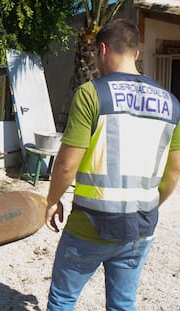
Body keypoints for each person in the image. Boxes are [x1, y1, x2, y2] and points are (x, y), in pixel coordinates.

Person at [44, 18, 180, 311]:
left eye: (94, 53)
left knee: (63, 298)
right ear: (137, 54)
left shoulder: (92, 93)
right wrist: (150, 205)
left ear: (102, 50)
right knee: (122, 304)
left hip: (91, 225)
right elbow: (174, 171)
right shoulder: (171, 104)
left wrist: (52, 201)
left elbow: (67, 164)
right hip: (140, 227)